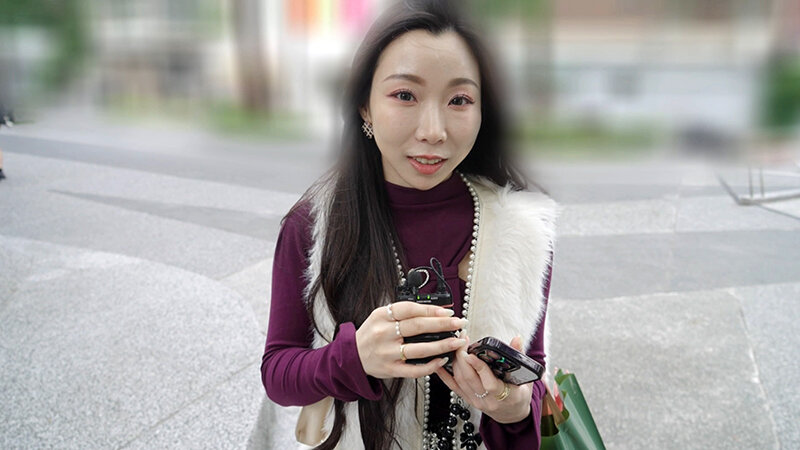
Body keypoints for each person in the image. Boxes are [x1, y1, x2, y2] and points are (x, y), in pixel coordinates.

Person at [260, 1, 556, 449]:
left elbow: (531, 372)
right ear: (364, 106)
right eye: (405, 95)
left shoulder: (522, 228)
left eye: (459, 100)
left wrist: (511, 405)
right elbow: (278, 373)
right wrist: (353, 358)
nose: (433, 131)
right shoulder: (313, 225)